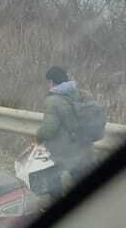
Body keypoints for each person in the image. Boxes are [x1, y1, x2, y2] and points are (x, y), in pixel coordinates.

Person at [35, 65, 101, 194]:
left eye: (47, 82)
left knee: (51, 175)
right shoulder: (82, 94)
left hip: (64, 150)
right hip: (84, 146)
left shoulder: (53, 100)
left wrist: (38, 136)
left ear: (51, 81)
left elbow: (49, 129)